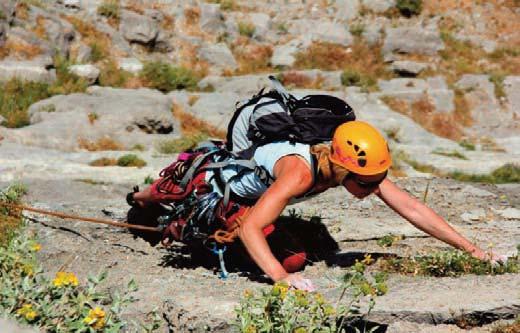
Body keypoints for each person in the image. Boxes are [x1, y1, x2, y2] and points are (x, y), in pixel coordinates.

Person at [130, 120, 506, 291]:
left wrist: (474, 251)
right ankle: (154, 214)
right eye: (369, 183)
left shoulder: (345, 166)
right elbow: (249, 227)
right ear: (344, 169)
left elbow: (410, 207)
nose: (375, 189)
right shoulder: (299, 173)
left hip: (248, 196)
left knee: (290, 251)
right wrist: (281, 279)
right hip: (213, 189)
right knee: (157, 196)